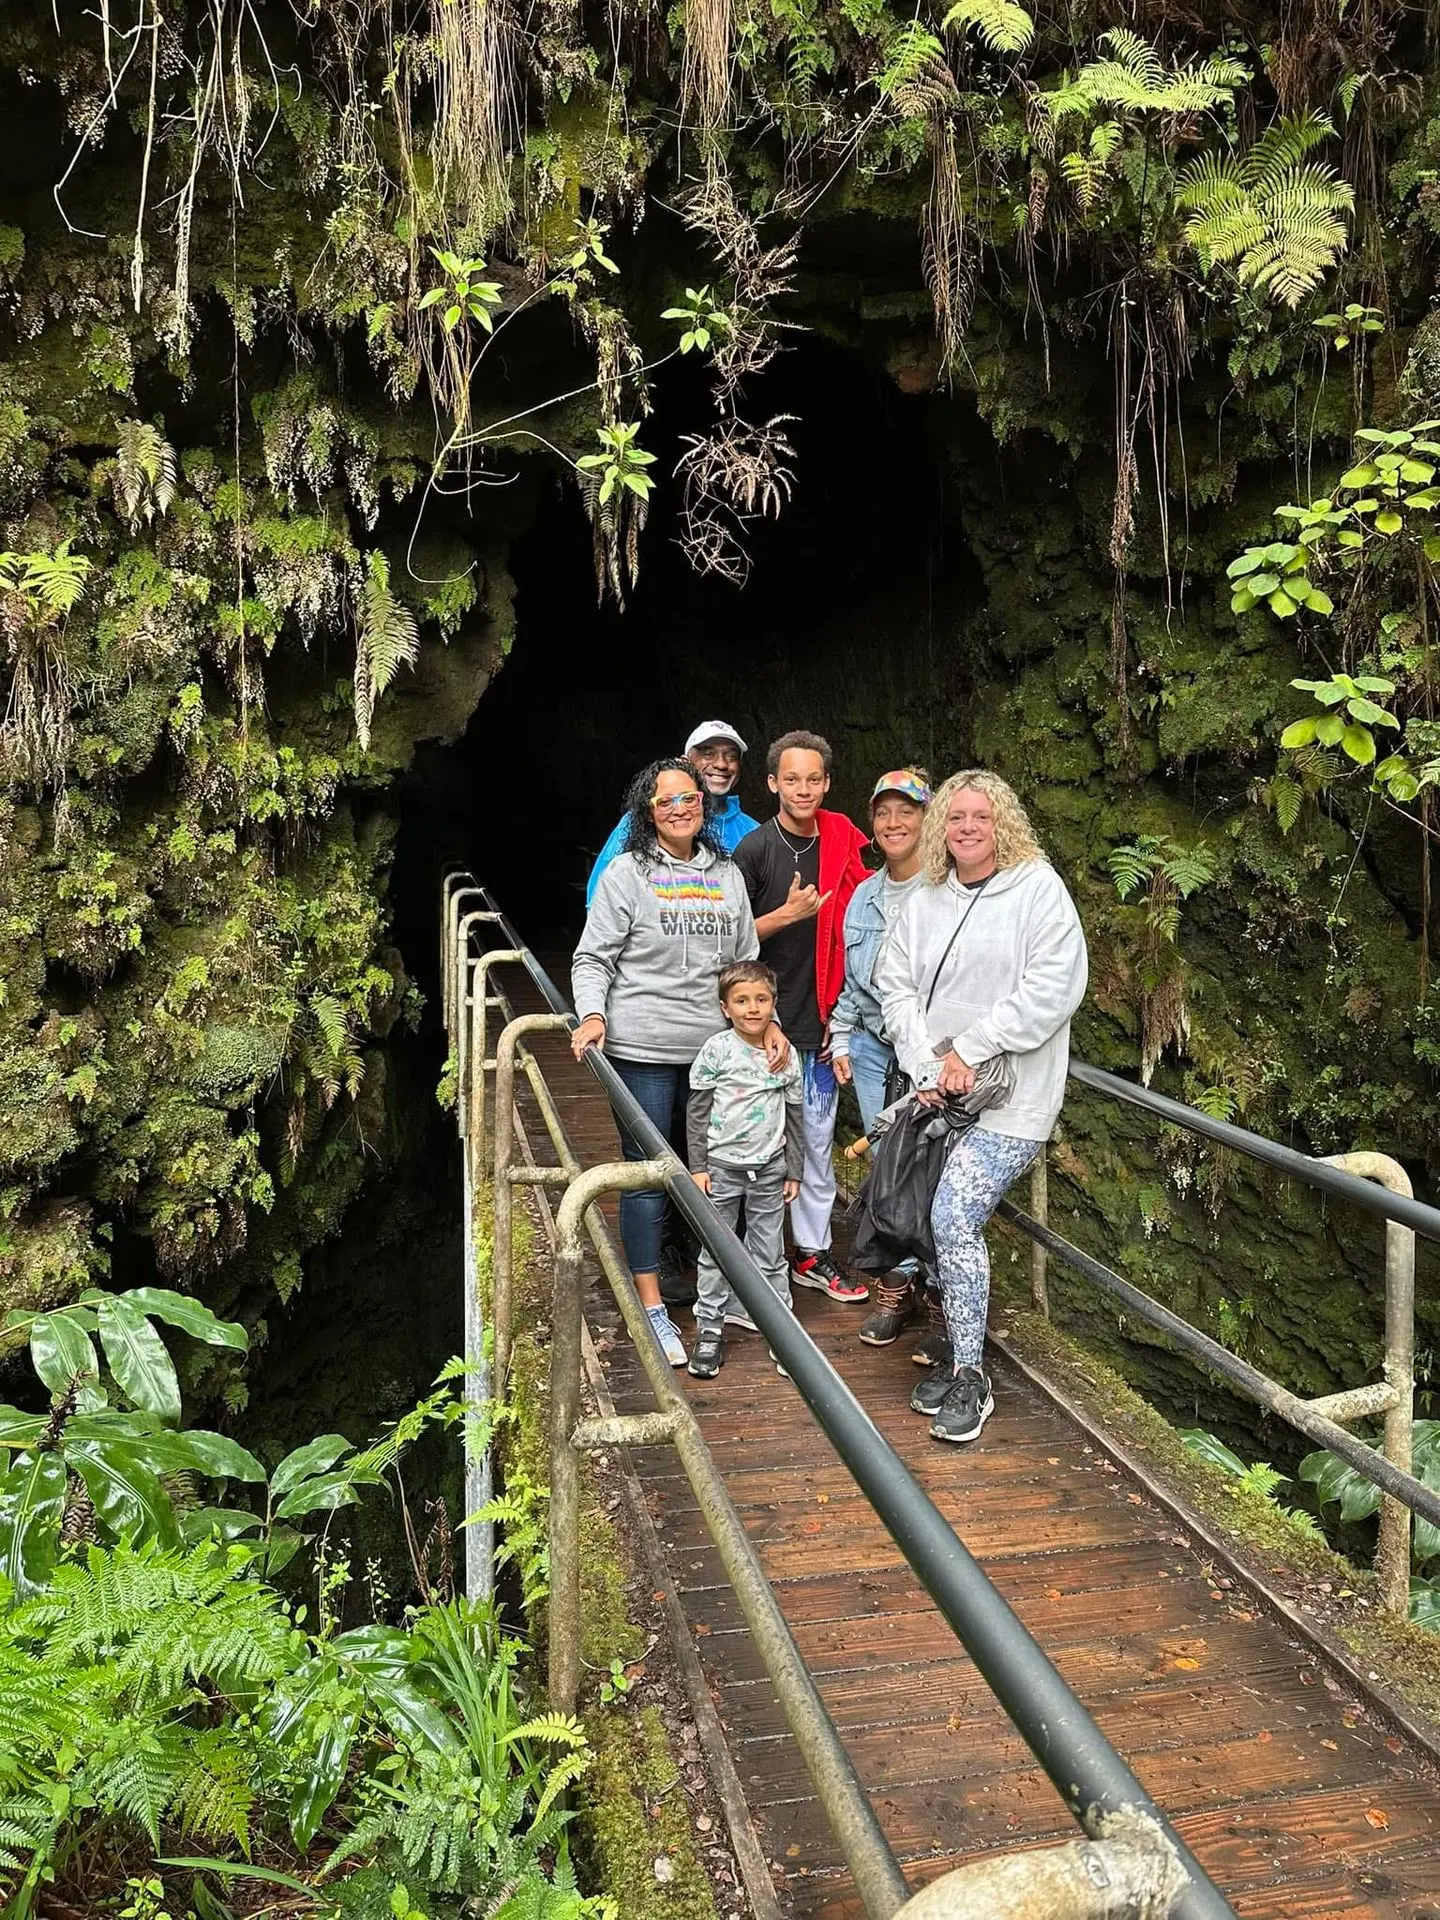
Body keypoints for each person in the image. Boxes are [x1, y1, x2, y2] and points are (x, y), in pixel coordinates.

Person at [875, 770, 1088, 1445]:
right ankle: (953, 1344)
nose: (967, 828)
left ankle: (973, 1376)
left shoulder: (1037, 890)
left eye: (981, 817)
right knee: (935, 1219)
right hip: (939, 1092)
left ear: (1003, 823)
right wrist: (925, 1063)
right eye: (956, 817)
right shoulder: (927, 897)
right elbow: (895, 982)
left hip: (1012, 1098)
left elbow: (1055, 986)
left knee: (952, 1214)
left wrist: (972, 1046)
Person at [571, 757, 775, 1368]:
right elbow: (593, 957)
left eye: (689, 798)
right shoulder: (627, 875)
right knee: (646, 1173)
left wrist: (768, 1028)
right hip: (641, 1049)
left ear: (703, 806)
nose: (681, 808)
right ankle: (653, 1307)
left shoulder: (727, 874)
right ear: (648, 811)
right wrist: (592, 1016)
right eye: (667, 801)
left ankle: (719, 1291)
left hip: (716, 1051)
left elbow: (747, 962)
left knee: (712, 1170)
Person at [733, 730, 871, 1305]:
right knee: (751, 1146)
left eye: (813, 779)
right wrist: (785, 915)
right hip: (759, 1028)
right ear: (772, 784)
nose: (803, 789)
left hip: (821, 1024)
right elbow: (730, 947)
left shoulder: (843, 843)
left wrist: (841, 1025)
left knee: (815, 1146)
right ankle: (748, 1258)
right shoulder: (755, 852)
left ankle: (810, 1254)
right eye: (791, 779)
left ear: (828, 784)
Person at [829, 768, 937, 1350]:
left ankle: (928, 1284)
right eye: (884, 812)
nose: (894, 823)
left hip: (930, 1051)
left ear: (927, 818)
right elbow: (852, 983)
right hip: (874, 1050)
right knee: (886, 1168)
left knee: (932, 1171)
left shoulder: (949, 892)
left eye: (907, 811)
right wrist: (841, 1037)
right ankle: (896, 1288)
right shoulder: (864, 897)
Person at [685, 961, 803, 1380]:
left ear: (774, 1004)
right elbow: (697, 1111)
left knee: (770, 1252)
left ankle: (782, 1334)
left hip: (769, 1168)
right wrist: (697, 1165)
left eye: (761, 999)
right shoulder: (717, 1050)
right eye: (742, 1001)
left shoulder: (785, 1057)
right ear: (725, 1007)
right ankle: (710, 1329)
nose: (752, 1009)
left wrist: (794, 1169)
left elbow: (795, 1114)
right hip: (721, 1167)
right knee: (716, 1250)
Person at [586, 722, 759, 906]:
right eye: (707, 754)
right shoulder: (649, 819)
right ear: (685, 762)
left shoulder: (754, 831)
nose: (721, 764)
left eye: (731, 756)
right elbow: (600, 899)